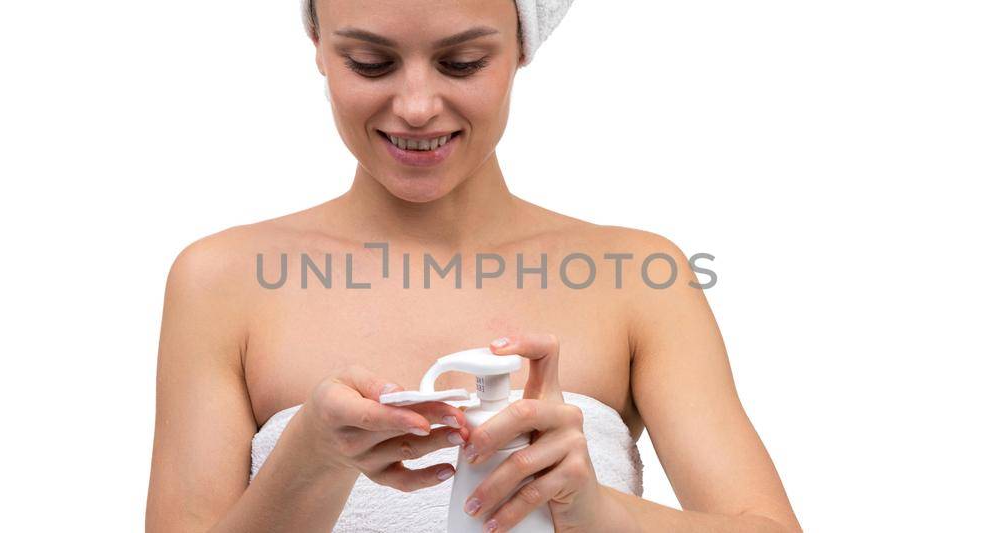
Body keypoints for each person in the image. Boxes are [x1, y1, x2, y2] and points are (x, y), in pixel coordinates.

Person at [145, 1, 801, 531]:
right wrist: (309, 464)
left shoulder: (638, 276)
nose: (417, 106)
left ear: (521, 45)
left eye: (461, 63)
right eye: (370, 62)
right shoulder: (222, 280)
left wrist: (599, 513)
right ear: (318, 42)